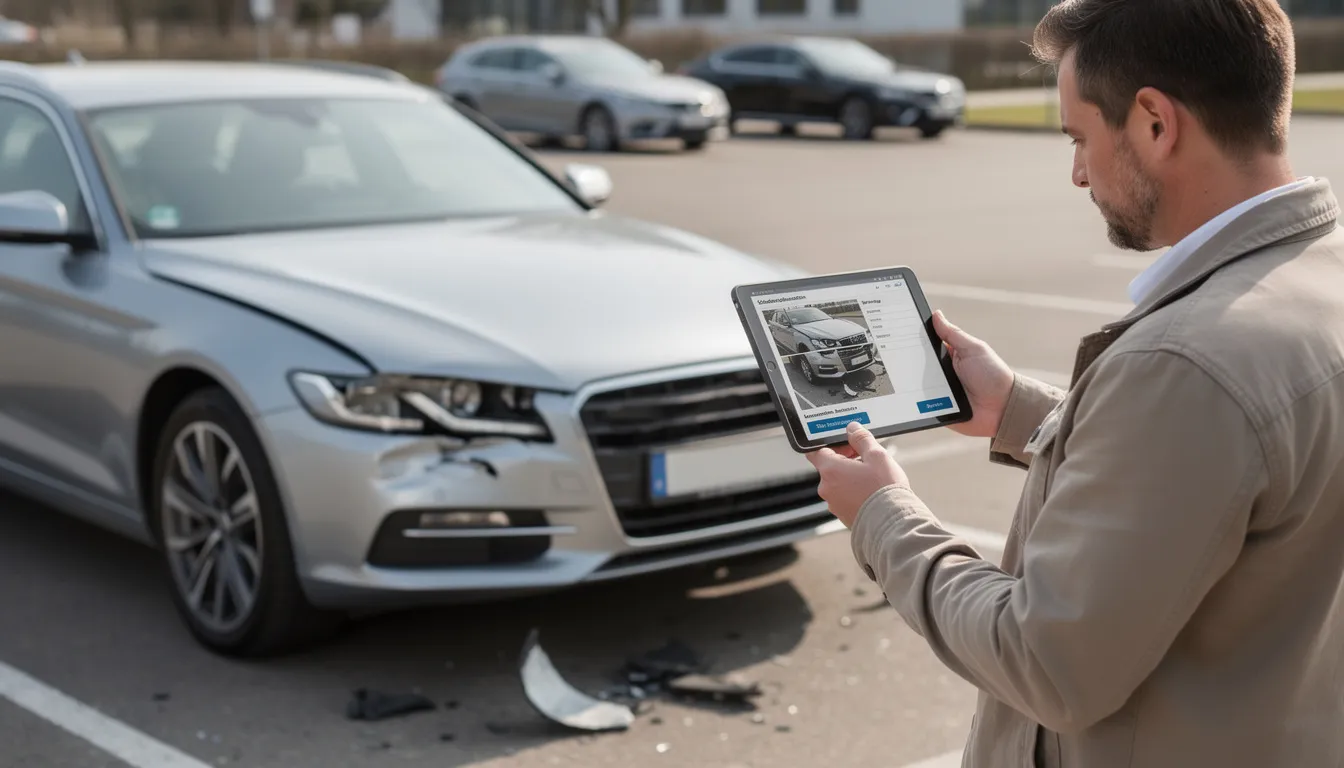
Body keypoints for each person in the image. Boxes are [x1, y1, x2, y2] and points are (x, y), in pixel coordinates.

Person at [806, 0, 1343, 766]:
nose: (1078, 172)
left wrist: (883, 520)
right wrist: (1022, 415)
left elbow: (1044, 661)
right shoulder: (1318, 273)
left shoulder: (1186, 365)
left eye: (1080, 137)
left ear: (1156, 123)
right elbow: (1229, 473)